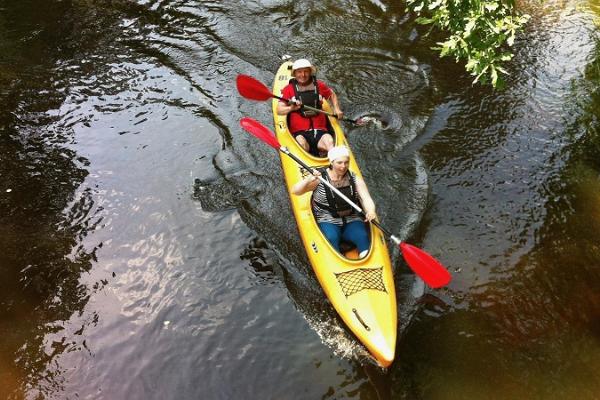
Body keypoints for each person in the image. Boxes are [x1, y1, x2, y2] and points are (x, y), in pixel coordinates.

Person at [292, 146, 376, 258]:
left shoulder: (354, 179)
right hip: (327, 219)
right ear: (331, 162)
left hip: (351, 218)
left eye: (346, 162)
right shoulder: (320, 179)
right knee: (331, 239)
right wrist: (308, 179)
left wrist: (371, 211)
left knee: (362, 236)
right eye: (339, 163)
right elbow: (295, 191)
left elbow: (366, 199)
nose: (343, 166)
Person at [276, 58, 344, 157]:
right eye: (299, 72)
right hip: (300, 132)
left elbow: (331, 94)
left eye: (306, 71)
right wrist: (291, 108)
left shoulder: (319, 85)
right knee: (302, 145)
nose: (303, 75)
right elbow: (279, 110)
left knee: (330, 142)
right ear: (295, 73)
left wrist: (337, 109)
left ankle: (335, 164)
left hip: (320, 130)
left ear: (310, 72)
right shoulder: (288, 89)